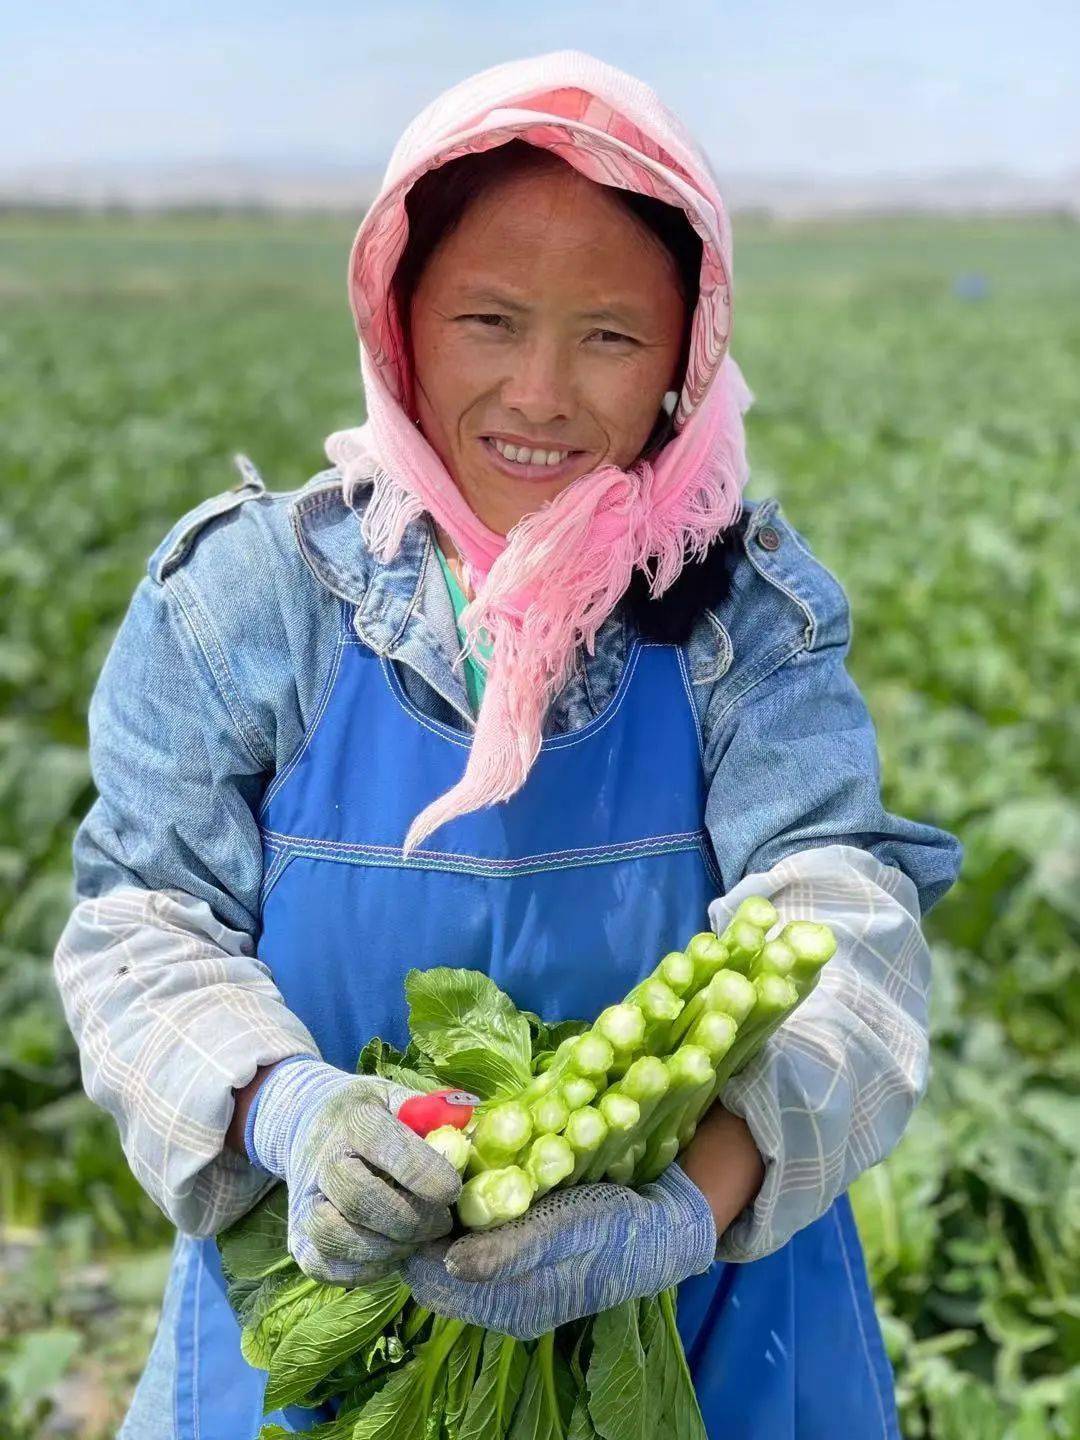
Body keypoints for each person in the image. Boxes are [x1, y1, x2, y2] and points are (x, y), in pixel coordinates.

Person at [52, 50, 962, 1440]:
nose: (540, 393)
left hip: (704, 1339)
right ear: (400, 320)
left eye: (609, 336)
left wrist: (680, 1207)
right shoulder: (246, 603)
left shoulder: (745, 622)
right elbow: (140, 929)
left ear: (684, 359)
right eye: (488, 320)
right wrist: (290, 1116)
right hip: (320, 1348)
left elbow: (842, 933)